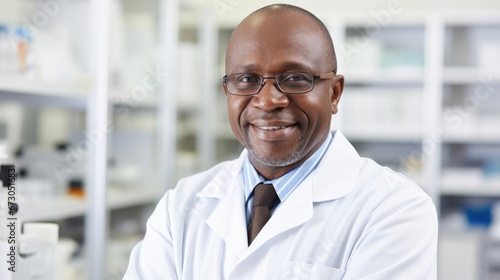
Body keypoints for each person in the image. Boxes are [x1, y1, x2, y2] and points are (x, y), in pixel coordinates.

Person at [124, 4, 437, 279]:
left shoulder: (394, 210)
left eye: (295, 79)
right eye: (246, 80)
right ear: (227, 93)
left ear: (334, 93)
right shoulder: (181, 205)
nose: (268, 101)